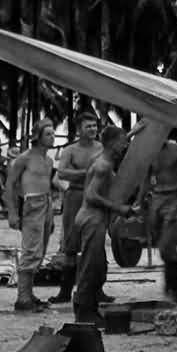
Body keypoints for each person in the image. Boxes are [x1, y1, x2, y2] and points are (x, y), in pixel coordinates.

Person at [74, 127, 133, 326]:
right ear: (113, 143)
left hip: (90, 218)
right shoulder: (103, 165)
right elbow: (91, 195)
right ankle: (84, 312)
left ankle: (89, 309)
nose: (125, 145)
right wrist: (118, 208)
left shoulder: (100, 157)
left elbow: (113, 138)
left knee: (98, 266)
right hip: (92, 218)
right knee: (91, 267)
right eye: (123, 142)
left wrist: (134, 132)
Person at [49, 110, 102, 303]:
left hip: (95, 198)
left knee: (95, 246)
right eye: (88, 126)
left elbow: (107, 171)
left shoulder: (101, 148)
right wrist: (85, 173)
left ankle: (96, 290)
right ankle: (64, 291)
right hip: (74, 197)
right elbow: (61, 173)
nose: (92, 129)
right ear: (79, 129)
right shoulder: (71, 150)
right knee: (71, 246)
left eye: (95, 126)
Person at [4, 122, 58, 311]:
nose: (52, 137)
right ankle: (23, 297)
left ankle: (30, 293)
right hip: (32, 204)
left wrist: (51, 214)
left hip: (46, 202)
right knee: (31, 250)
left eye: (53, 133)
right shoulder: (24, 159)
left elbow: (48, 185)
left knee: (40, 251)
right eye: (48, 134)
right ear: (38, 136)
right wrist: (12, 212)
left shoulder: (49, 161)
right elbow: (9, 185)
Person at [143, 132, 177, 301]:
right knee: (164, 248)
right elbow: (145, 178)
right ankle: (173, 284)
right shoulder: (149, 152)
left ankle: (176, 286)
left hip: (175, 198)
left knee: (167, 245)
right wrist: (139, 199)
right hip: (157, 199)